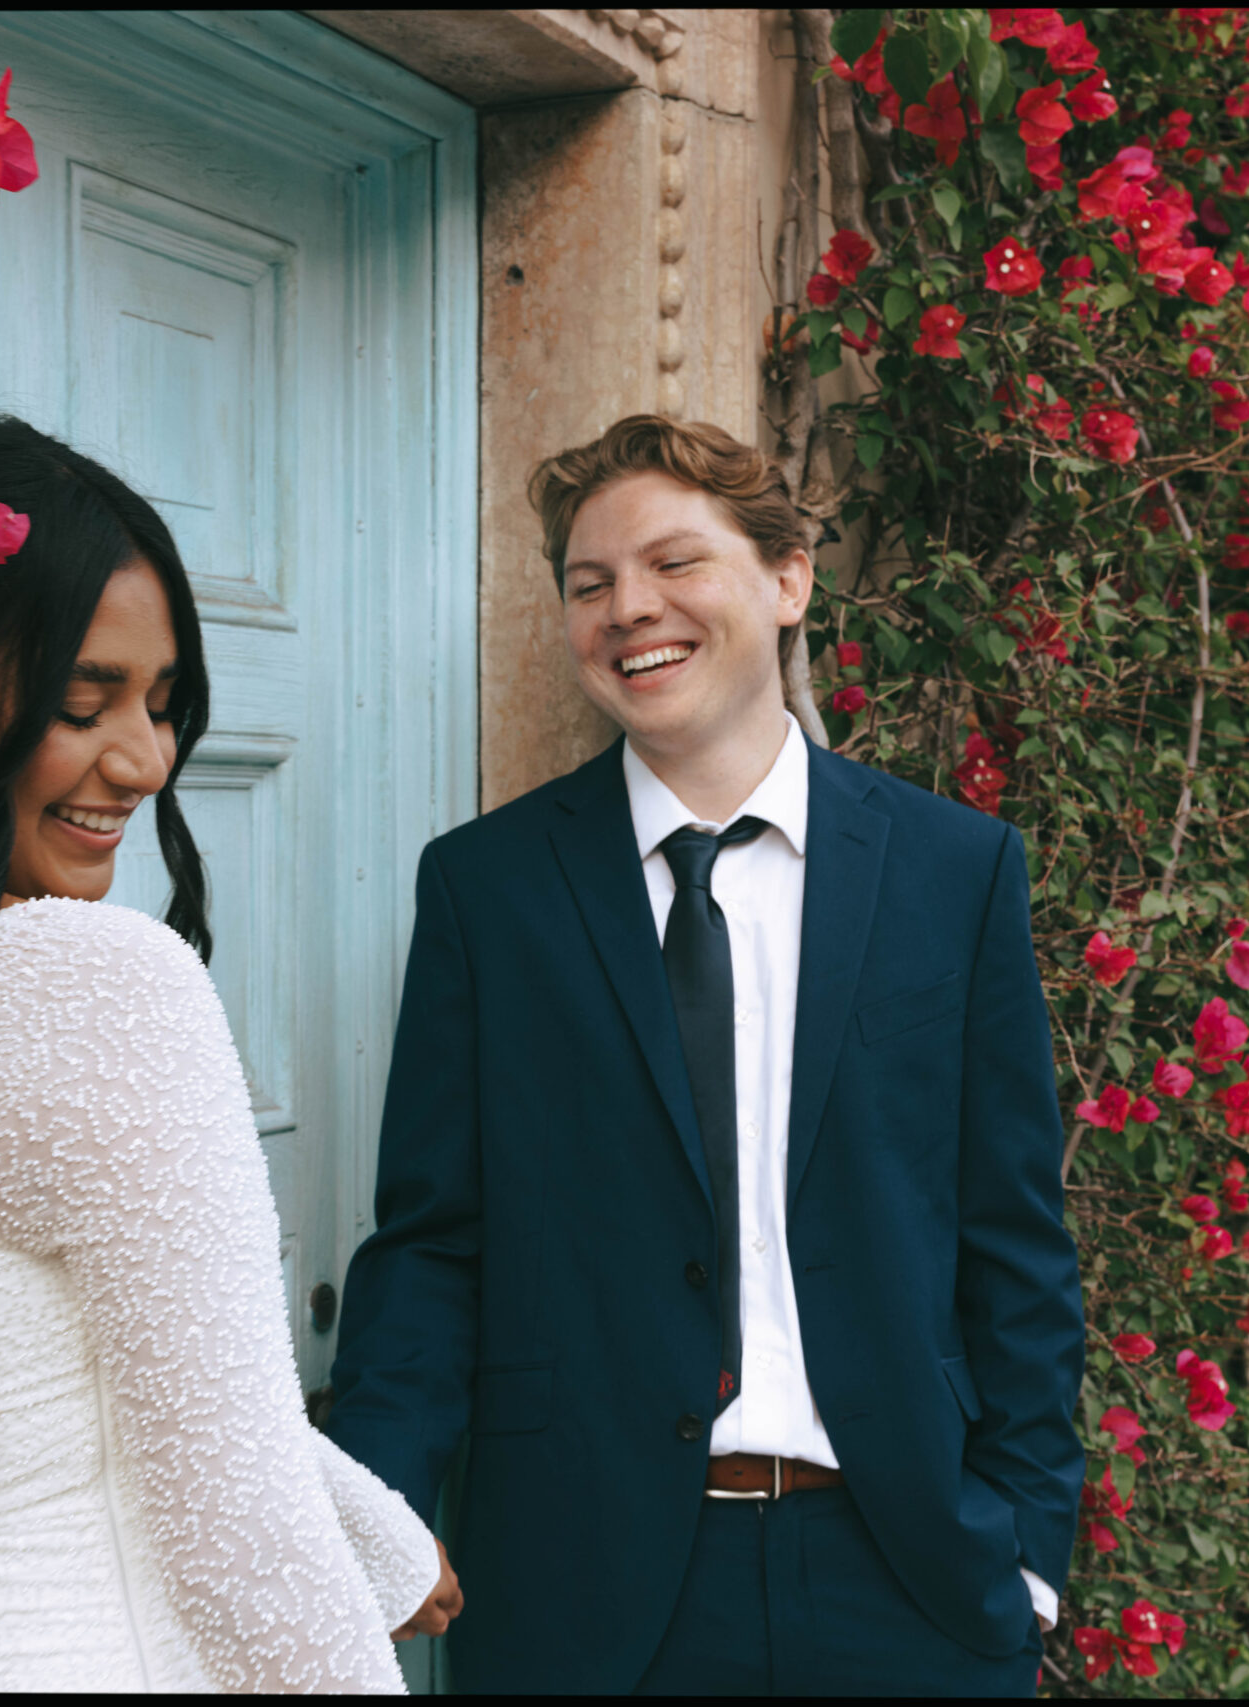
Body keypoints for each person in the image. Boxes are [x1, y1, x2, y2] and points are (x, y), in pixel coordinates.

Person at [324, 415, 1085, 1695]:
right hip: (584, 1591)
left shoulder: (955, 873)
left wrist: (1024, 1552)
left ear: (787, 580)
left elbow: (1011, 1236)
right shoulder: (487, 890)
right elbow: (432, 1243)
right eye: (588, 583)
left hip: (909, 1575)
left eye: (674, 564)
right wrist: (373, 1514)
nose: (630, 609)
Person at [0, 414, 453, 1692]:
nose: (145, 760)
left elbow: (99, 1373)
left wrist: (379, 1540)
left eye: (161, 706)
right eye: (77, 701)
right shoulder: (83, 985)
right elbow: (241, 1539)